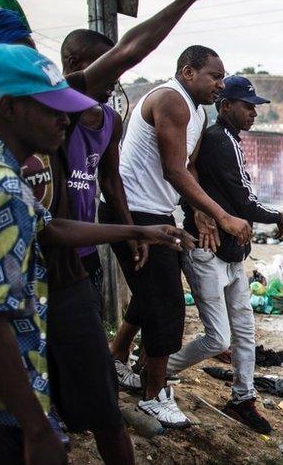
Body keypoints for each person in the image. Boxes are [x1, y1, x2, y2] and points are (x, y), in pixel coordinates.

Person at [0, 44, 191, 464]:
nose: (63, 118)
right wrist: (35, 427)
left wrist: (138, 229)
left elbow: (48, 227)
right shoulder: (2, 191)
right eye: (51, 108)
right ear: (9, 107)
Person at [59, 0, 235, 317]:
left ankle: (120, 359)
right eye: (105, 69)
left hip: (84, 249)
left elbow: (112, 181)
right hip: (52, 248)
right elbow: (130, 49)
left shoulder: (109, 118)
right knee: (163, 313)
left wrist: (136, 231)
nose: (113, 78)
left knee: (94, 344)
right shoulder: (51, 105)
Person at [104, 45, 252, 428]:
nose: (220, 84)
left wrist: (198, 212)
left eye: (222, 78)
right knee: (167, 305)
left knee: (153, 293)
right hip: (135, 212)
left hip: (157, 211)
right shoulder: (171, 99)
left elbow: (187, 166)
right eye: (214, 77)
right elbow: (173, 170)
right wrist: (223, 215)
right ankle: (153, 396)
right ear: (188, 72)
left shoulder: (197, 113)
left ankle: (117, 358)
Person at [167, 75, 283, 434]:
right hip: (209, 251)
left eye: (255, 107)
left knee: (245, 331)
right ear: (226, 107)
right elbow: (240, 197)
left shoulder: (226, 139)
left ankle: (243, 398)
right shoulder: (221, 140)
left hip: (232, 253)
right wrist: (274, 216)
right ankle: (158, 370)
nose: (254, 113)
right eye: (247, 106)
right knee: (218, 338)